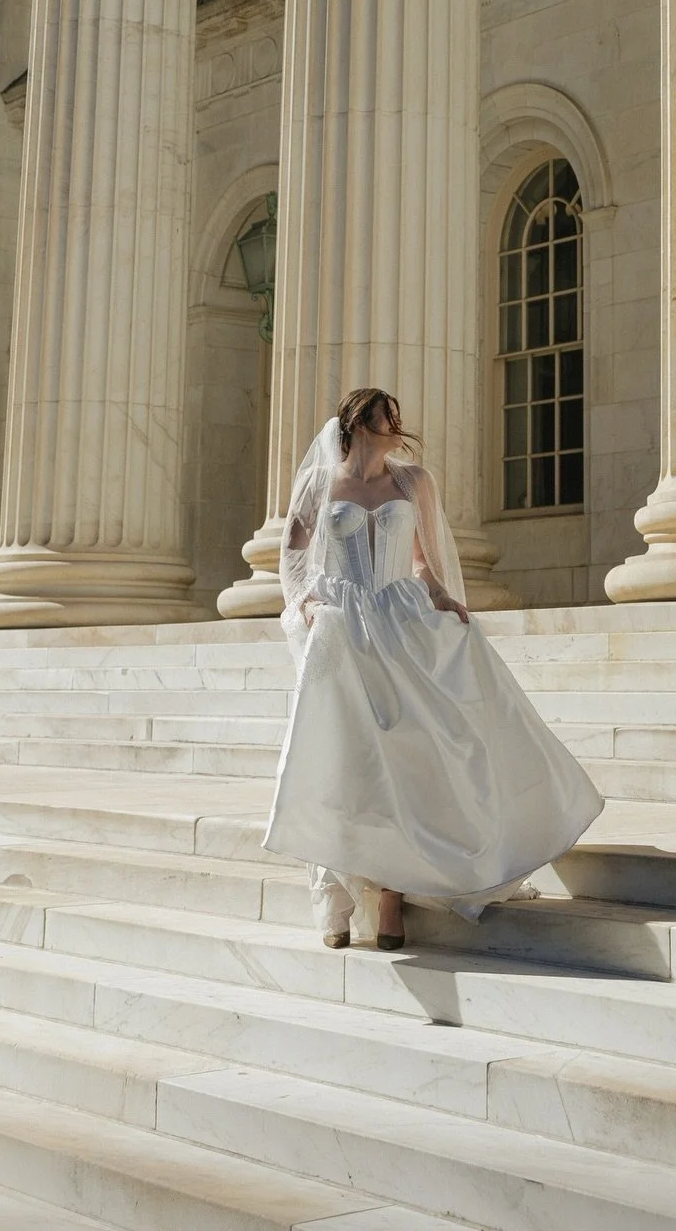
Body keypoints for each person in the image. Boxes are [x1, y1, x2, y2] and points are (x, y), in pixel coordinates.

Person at [264, 387, 604, 950]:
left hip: (398, 620)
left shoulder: (413, 482)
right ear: (357, 425)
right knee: (345, 756)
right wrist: (303, 604)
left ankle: (393, 894)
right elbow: (293, 556)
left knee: (408, 753)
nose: (397, 425)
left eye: (396, 417)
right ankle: (341, 894)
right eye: (385, 418)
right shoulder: (319, 484)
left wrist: (442, 596)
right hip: (343, 627)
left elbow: (423, 561)